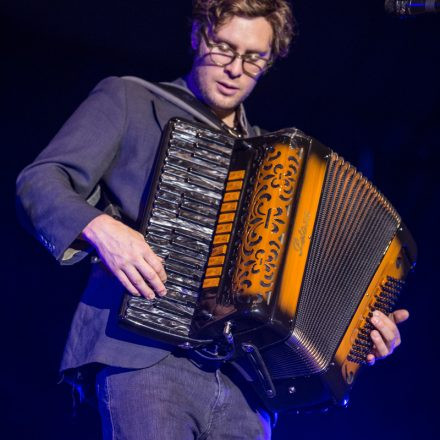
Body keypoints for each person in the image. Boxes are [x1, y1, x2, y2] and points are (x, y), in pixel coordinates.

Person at [16, 0, 410, 438]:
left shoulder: (280, 162)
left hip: (247, 385)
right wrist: (101, 229)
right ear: (197, 36)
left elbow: (316, 282)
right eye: (223, 47)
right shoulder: (130, 98)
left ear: (270, 61)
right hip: (146, 356)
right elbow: (40, 181)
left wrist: (357, 335)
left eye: (253, 57)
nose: (235, 68)